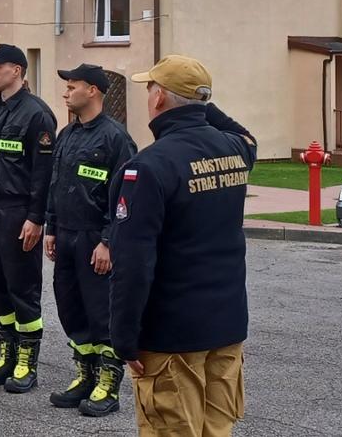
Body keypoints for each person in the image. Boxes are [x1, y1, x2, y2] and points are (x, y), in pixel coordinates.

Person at [111, 55, 257, 437]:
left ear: (159, 98)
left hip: (171, 333)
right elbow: (245, 134)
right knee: (217, 429)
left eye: (150, 89)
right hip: (225, 324)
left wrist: (124, 337)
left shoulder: (149, 166)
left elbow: (133, 261)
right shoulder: (234, 150)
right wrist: (200, 100)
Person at [45, 64, 137, 415]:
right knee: (71, 309)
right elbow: (55, 184)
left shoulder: (116, 138)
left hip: (94, 239)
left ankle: (108, 386)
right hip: (66, 235)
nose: (67, 93)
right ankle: (85, 375)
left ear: (94, 91)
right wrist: (51, 227)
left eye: (72, 86)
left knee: (101, 312)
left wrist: (108, 241)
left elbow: (125, 197)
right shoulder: (68, 134)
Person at [0, 43, 57, 393]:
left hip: (19, 212)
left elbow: (43, 172)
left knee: (22, 286)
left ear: (17, 70)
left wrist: (37, 217)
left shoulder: (37, 114)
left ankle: (26, 361)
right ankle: (7, 351)